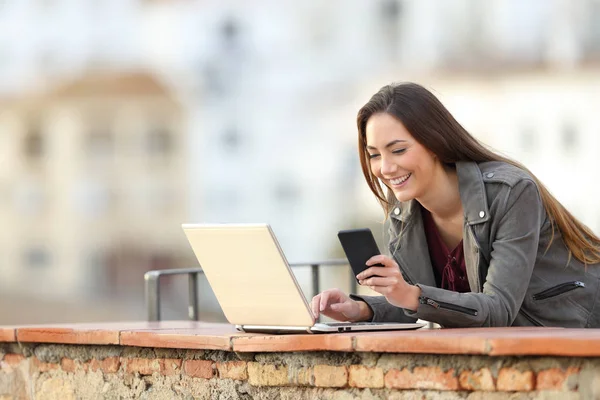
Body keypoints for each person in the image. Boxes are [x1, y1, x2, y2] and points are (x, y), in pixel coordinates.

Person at [311, 82, 600, 328]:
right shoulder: (405, 216)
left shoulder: (510, 193)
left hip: (580, 339)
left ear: (434, 143)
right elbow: (425, 302)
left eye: (398, 150)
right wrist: (362, 309)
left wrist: (412, 295)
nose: (385, 168)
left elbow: (497, 309)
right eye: (374, 155)